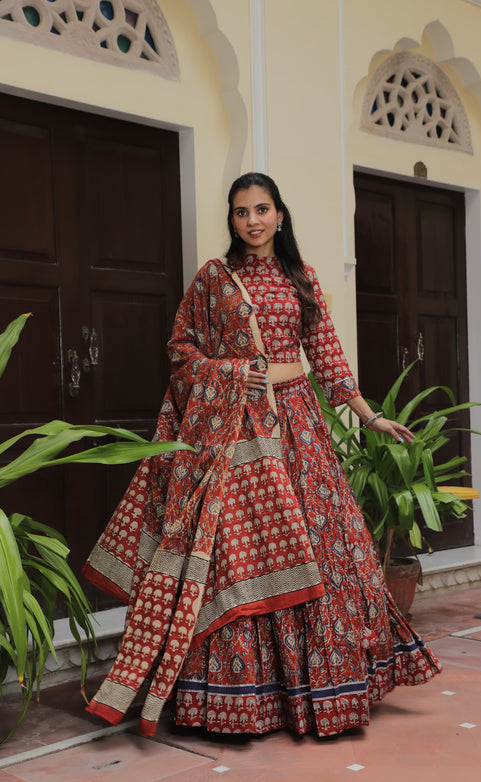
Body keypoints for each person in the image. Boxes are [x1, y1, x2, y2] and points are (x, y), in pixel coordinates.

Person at [83, 172, 441, 738]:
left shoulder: (302, 279)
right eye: (241, 211)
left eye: (262, 209)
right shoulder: (214, 281)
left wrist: (369, 415)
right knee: (236, 553)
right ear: (232, 219)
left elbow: (326, 356)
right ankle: (236, 700)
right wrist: (234, 374)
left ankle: (321, 693)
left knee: (326, 544)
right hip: (234, 430)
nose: (252, 220)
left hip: (297, 427)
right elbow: (181, 349)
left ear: (280, 214)